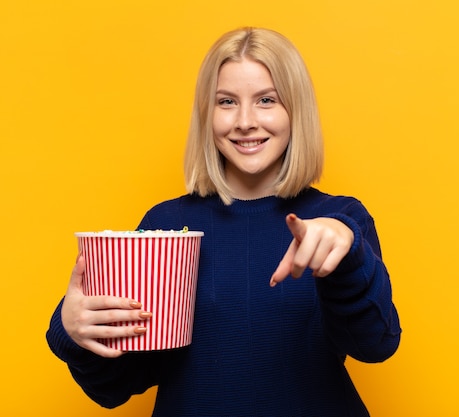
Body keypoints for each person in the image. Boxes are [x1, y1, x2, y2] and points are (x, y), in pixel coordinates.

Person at [46, 27, 401, 416]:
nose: (245, 121)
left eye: (267, 100)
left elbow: (376, 344)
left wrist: (346, 250)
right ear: (207, 113)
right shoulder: (166, 226)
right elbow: (115, 387)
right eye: (227, 102)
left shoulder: (342, 219)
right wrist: (72, 329)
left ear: (296, 110)